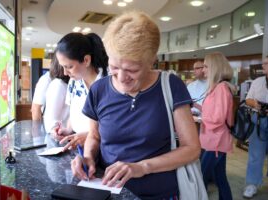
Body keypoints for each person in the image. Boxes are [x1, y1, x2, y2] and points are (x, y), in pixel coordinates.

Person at [71, 11, 201, 199]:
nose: (122, 78)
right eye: (114, 68)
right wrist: (89, 157)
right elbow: (95, 136)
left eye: (132, 70)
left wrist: (142, 167)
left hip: (158, 193)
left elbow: (192, 148)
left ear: (151, 61)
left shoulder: (171, 85)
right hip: (109, 190)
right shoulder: (99, 89)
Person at [52, 32, 108, 149]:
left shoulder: (109, 81)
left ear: (86, 60)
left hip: (104, 149)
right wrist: (67, 130)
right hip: (78, 146)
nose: (65, 73)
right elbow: (74, 113)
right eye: (63, 67)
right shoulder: (74, 82)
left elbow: (118, 124)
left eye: (69, 67)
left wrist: (90, 136)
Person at [200, 52, 234, 200]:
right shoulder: (217, 88)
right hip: (214, 140)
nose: (203, 70)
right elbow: (213, 112)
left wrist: (199, 118)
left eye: (206, 66)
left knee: (201, 177)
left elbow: (218, 119)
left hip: (215, 142)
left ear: (215, 67)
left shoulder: (221, 88)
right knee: (220, 178)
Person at [243, 54, 268, 198]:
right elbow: (248, 99)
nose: (263, 66)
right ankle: (252, 184)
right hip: (258, 119)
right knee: (255, 154)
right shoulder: (258, 81)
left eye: (266, 63)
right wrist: (255, 104)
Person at [43, 53, 70, 133]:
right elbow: (52, 120)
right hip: (60, 138)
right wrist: (55, 131)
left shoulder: (66, 84)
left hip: (66, 136)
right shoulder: (58, 85)